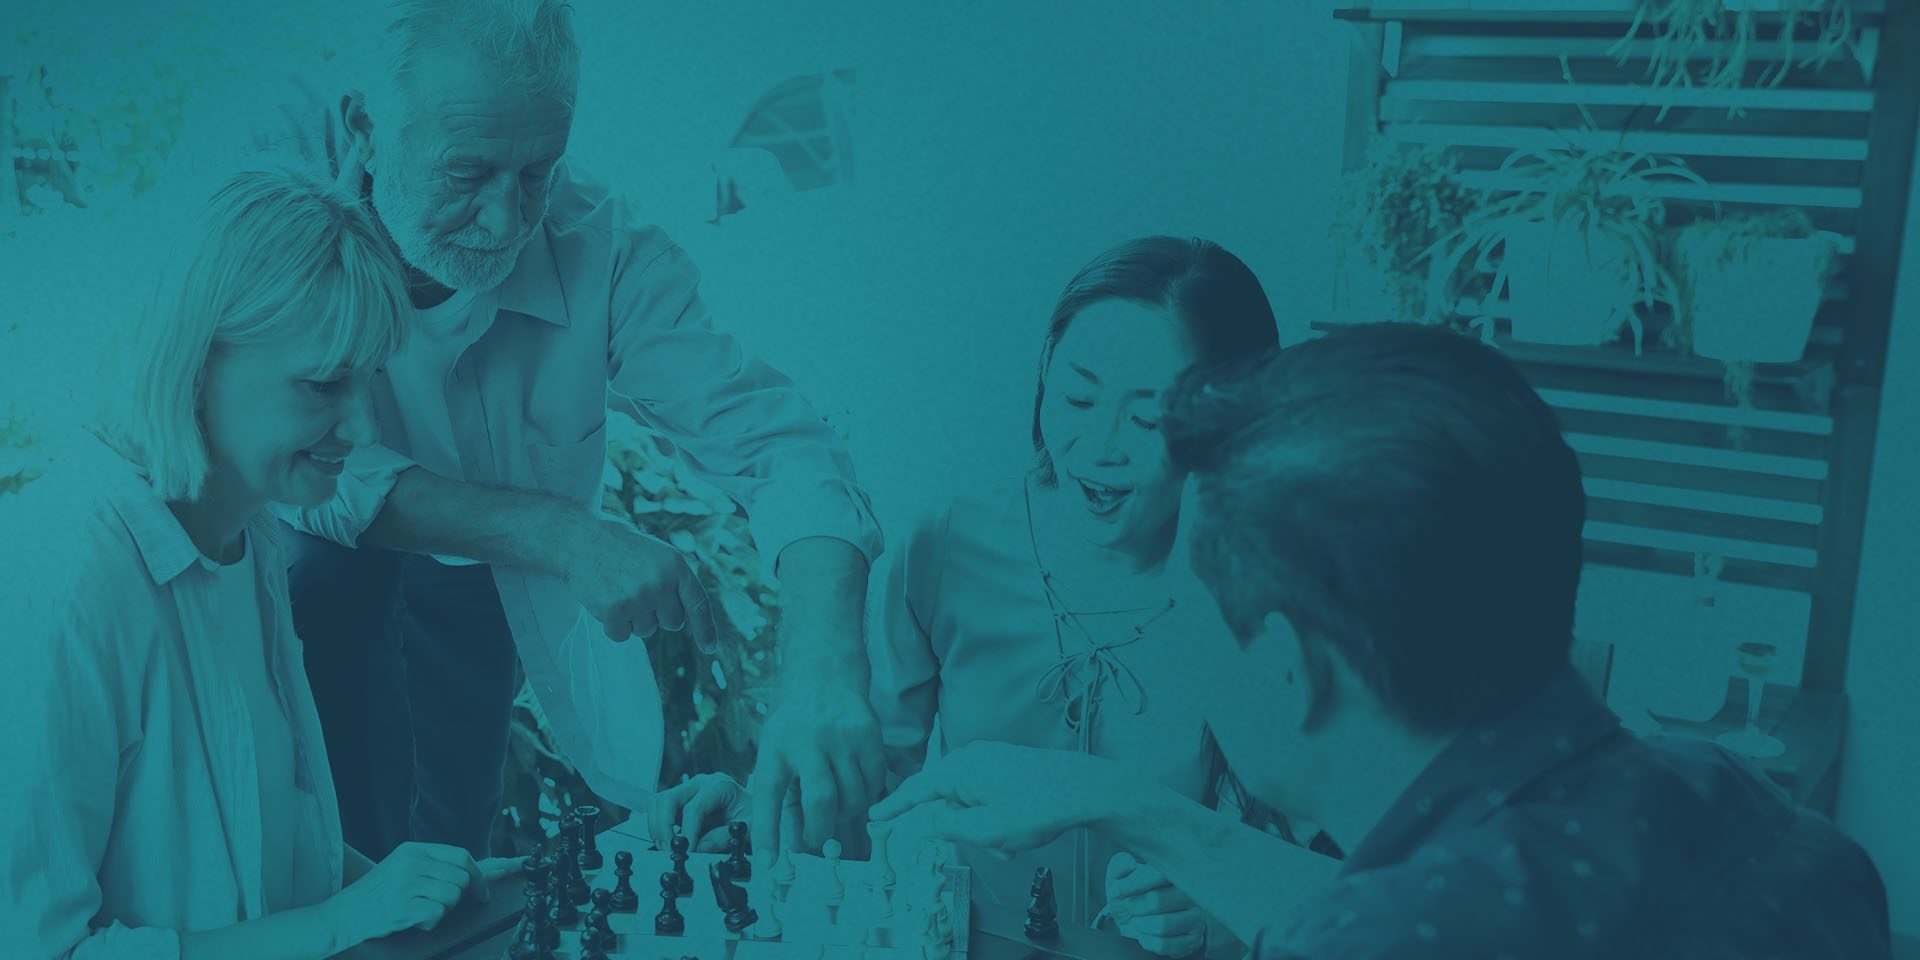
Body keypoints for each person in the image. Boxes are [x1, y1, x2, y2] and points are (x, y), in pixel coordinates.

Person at [871, 324, 1892, 958]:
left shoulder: (1378, 938)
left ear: (1284, 667)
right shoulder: (1749, 807)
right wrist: (1128, 805)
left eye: (1191, 609)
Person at [260, 0, 884, 861]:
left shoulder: (607, 247)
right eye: (467, 173)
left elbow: (778, 444)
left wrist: (822, 662)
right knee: (330, 850)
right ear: (366, 126)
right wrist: (559, 531)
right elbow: (294, 460)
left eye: (536, 173)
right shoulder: (271, 201)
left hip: (481, 580)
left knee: (449, 862)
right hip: (304, 569)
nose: (506, 221)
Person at [652, 237, 1335, 958]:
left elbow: (1357, 879)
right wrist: (760, 811)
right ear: (1044, 373)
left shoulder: (1278, 588)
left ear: (1232, 417)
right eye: (1077, 395)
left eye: (1147, 419)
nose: (1098, 445)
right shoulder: (945, 545)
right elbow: (869, 789)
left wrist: (1214, 914)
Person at [0, 166, 520, 960]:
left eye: (371, 379)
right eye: (322, 384)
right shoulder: (66, 574)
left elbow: (266, 864)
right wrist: (342, 922)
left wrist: (395, 894)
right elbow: (40, 948)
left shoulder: (255, 529)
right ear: (199, 365)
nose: (360, 425)